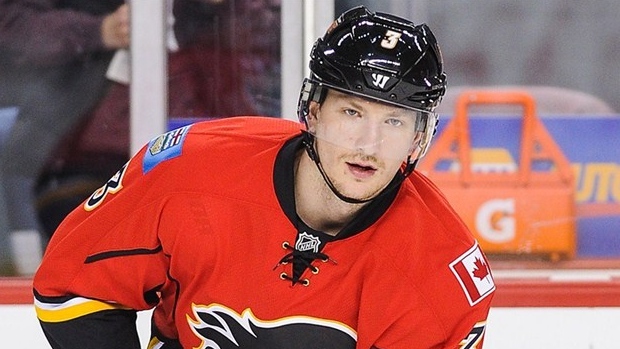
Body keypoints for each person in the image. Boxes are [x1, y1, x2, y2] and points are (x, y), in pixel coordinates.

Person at [33, 6, 495, 348]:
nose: (369, 145)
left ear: (419, 138)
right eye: (352, 112)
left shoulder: (439, 269)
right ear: (312, 112)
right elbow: (73, 290)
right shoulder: (191, 170)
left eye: (395, 122)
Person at [0, 0, 130, 275]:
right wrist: (100, 31)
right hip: (65, 144)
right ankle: (31, 276)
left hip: (166, 125)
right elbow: (13, 25)